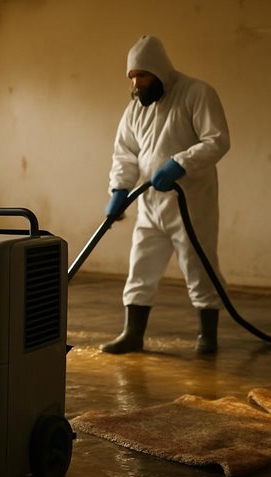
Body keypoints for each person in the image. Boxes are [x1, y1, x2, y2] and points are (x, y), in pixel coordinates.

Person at [102, 35, 230, 355]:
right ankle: (132, 334)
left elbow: (216, 140)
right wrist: (119, 188)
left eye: (142, 75)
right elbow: (125, 154)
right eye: (132, 77)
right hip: (149, 205)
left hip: (190, 202)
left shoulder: (197, 93)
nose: (136, 83)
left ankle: (207, 336)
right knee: (141, 266)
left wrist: (180, 163)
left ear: (158, 71)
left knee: (198, 266)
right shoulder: (135, 109)